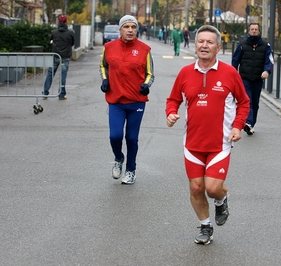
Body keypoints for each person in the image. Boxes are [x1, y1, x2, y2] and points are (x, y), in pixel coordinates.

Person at [165, 25, 250, 245]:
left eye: (209, 42)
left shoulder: (230, 73)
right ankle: (205, 226)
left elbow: (244, 102)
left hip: (220, 143)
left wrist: (237, 126)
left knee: (212, 188)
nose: (204, 45)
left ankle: (222, 199)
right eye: (200, 41)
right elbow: (173, 99)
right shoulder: (185, 73)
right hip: (192, 143)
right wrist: (171, 113)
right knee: (196, 187)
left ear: (218, 48)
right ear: (195, 45)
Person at [99, 15, 155, 184]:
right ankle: (118, 158)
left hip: (136, 101)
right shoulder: (109, 47)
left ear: (136, 29)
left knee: (131, 138)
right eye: (126, 27)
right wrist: (104, 79)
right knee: (115, 136)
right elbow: (103, 65)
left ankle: (131, 170)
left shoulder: (144, 49)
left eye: (133, 27)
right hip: (116, 100)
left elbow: (150, 73)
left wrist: (146, 85)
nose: (130, 30)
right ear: (120, 29)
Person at [232, 23, 274, 135]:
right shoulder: (242, 45)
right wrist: (232, 73)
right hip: (244, 78)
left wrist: (267, 71)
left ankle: (251, 124)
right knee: (248, 100)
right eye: (252, 29)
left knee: (255, 102)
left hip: (258, 78)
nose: (254, 31)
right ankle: (248, 123)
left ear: (259, 31)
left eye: (256, 29)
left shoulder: (266, 46)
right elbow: (235, 60)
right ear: (249, 31)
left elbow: (269, 60)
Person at [43, 14, 75, 100]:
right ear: (66, 21)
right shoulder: (70, 33)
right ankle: (61, 94)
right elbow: (72, 43)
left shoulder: (54, 32)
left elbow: (51, 40)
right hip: (65, 56)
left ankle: (45, 92)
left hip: (55, 55)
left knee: (50, 73)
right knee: (63, 75)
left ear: (58, 21)